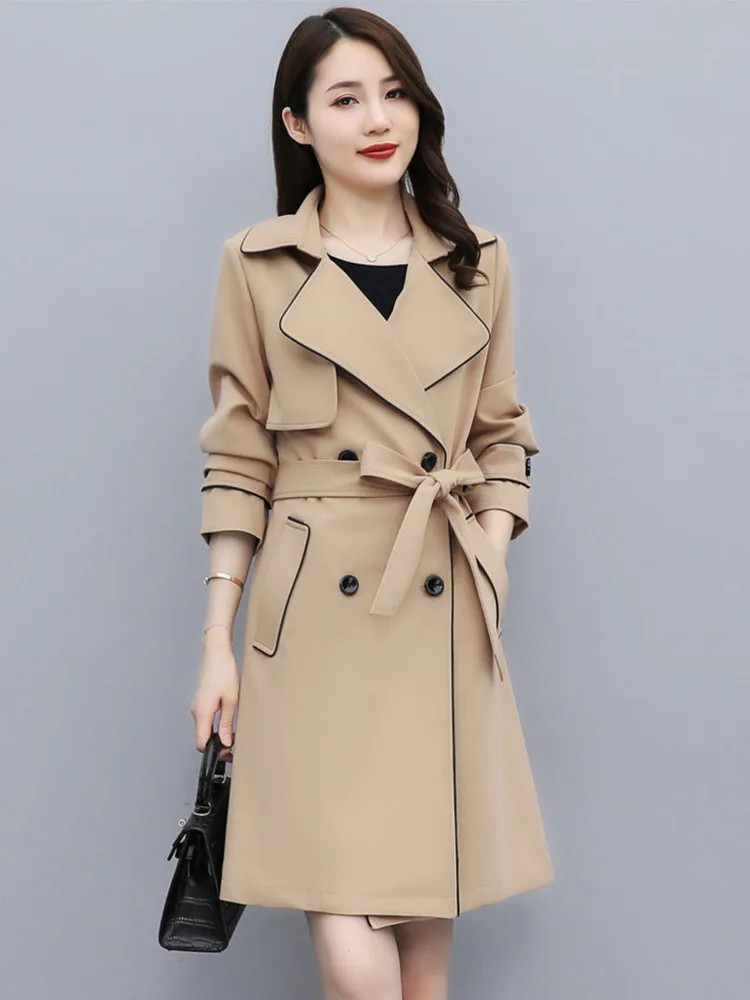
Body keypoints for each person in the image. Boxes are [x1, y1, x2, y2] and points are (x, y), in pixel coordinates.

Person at [190, 6, 554, 998]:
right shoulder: (256, 264)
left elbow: (501, 435)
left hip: (438, 601)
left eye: (395, 93)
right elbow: (238, 459)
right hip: (312, 617)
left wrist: (489, 555)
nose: (378, 119)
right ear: (298, 123)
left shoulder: (476, 259)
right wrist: (217, 639)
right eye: (346, 99)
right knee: (348, 918)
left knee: (426, 934)